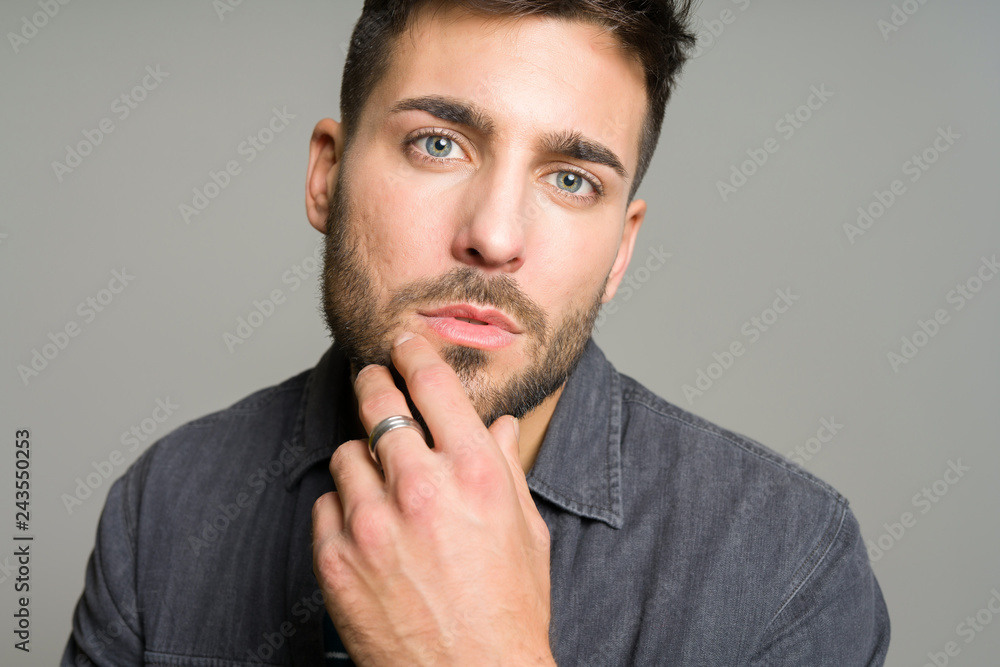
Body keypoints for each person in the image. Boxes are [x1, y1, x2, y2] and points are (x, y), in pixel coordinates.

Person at [62, 1, 890, 665]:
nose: (494, 236)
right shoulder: (162, 510)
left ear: (620, 249)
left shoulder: (788, 562)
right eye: (438, 143)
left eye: (571, 179)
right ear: (326, 174)